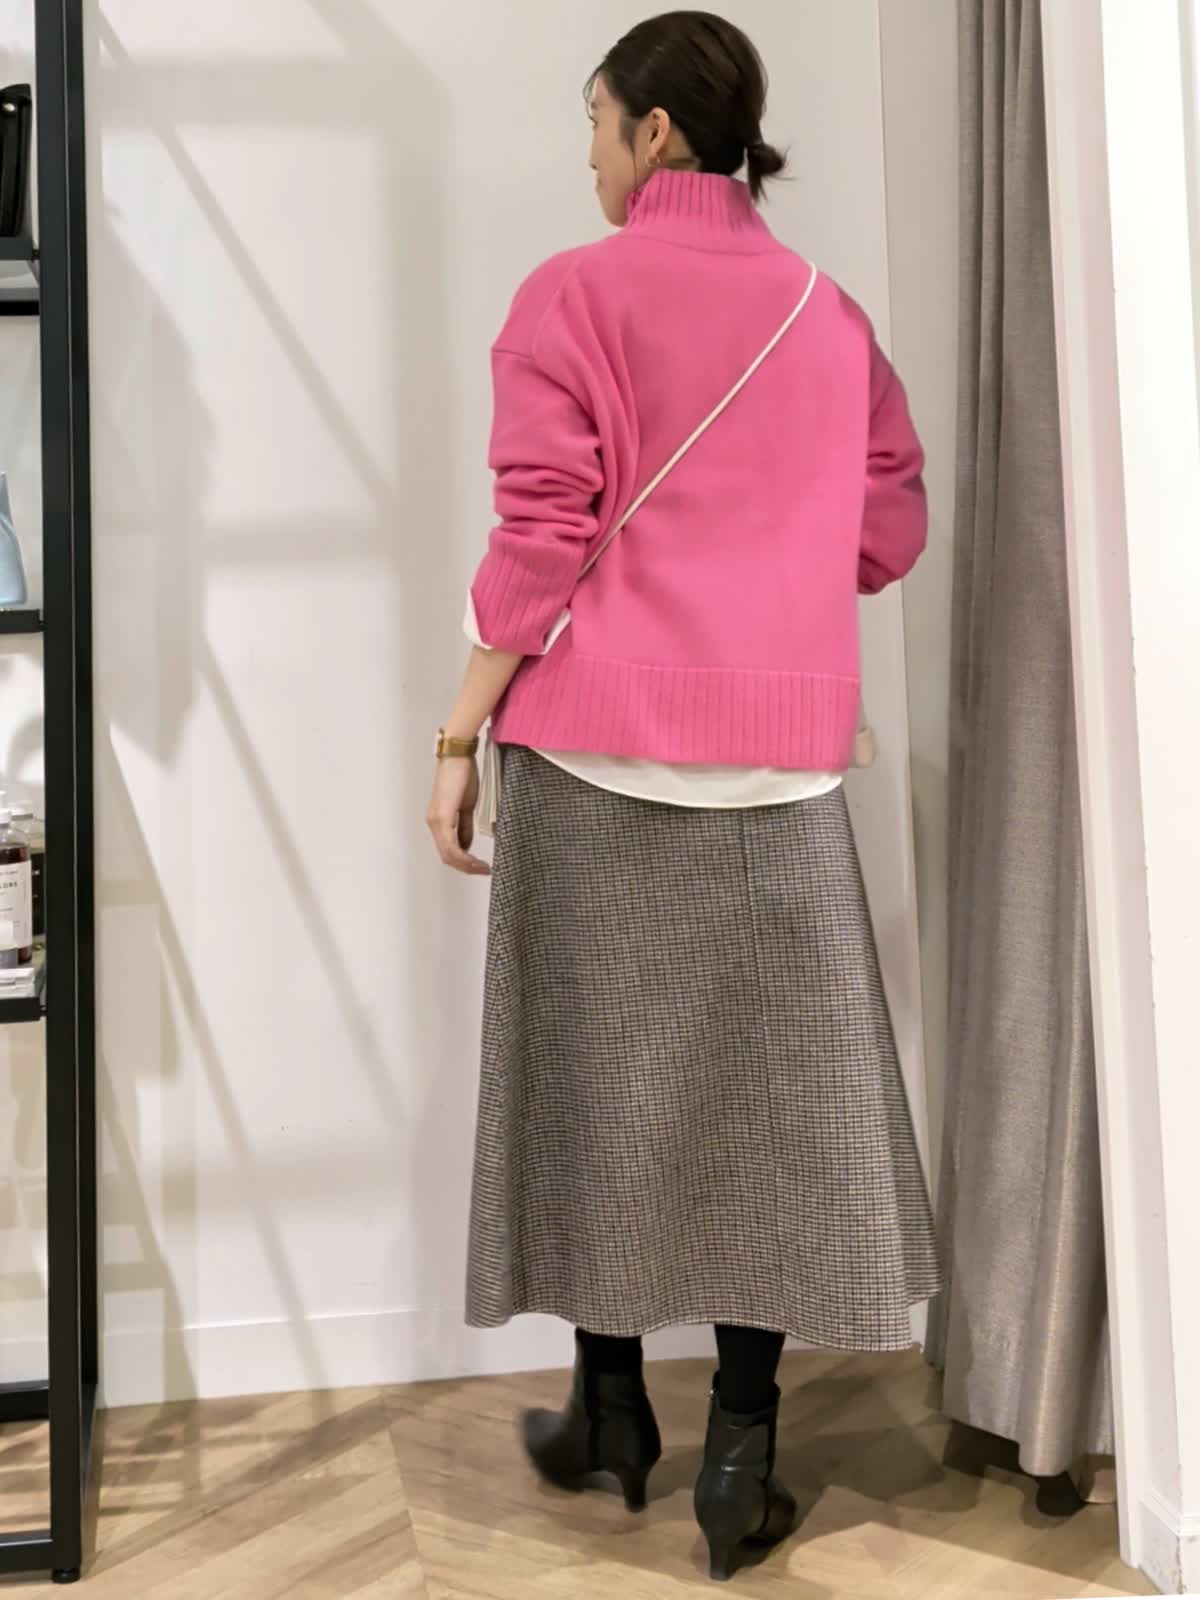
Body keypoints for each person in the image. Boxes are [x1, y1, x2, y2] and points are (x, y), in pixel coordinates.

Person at [426, 10, 941, 1583]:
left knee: (600, 1087)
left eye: (596, 122)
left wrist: (457, 735)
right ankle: (737, 1454)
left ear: (655, 133)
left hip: (590, 755)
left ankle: (607, 1410)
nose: (587, 154)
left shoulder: (570, 295)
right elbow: (888, 529)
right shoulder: (826, 314)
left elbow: (540, 535)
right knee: (772, 1112)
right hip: (778, 774)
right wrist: (767, 574)